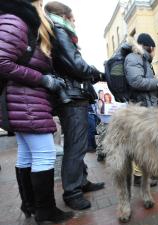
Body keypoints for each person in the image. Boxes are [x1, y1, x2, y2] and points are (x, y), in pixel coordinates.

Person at [0, 0, 73, 224]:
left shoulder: (15, 19)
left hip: (22, 99)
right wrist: (43, 78)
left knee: (26, 154)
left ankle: (29, 204)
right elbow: (2, 61)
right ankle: (46, 210)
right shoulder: (16, 20)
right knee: (44, 154)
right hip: (26, 100)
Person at [45, 1, 105, 210]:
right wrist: (95, 71)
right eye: (73, 18)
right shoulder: (60, 31)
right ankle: (72, 192)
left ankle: (81, 182)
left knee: (76, 145)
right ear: (64, 16)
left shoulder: (57, 31)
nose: (75, 21)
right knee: (75, 146)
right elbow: (76, 65)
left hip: (72, 95)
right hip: (71, 99)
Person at [124, 32, 158, 186]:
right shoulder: (134, 58)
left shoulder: (142, 59)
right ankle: (139, 176)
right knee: (141, 142)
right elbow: (136, 81)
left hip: (146, 106)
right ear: (151, 47)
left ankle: (148, 172)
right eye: (154, 48)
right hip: (140, 108)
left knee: (148, 141)